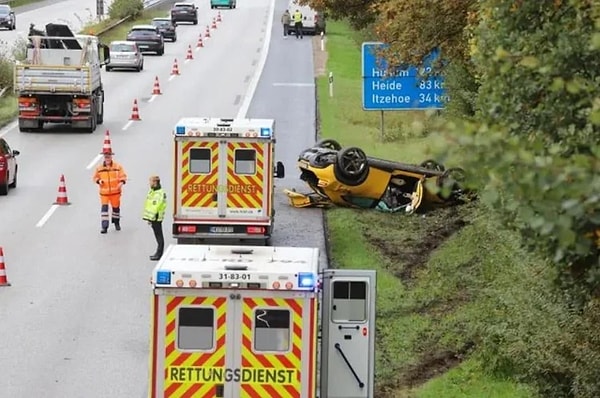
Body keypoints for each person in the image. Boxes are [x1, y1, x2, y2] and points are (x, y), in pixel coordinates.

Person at [93, 148, 127, 234]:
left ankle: (116, 222)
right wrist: (99, 181)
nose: (107, 159)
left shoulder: (117, 167)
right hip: (104, 193)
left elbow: (123, 176)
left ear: (111, 157)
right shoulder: (99, 168)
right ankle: (104, 227)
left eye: (109, 157)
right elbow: (95, 177)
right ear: (104, 158)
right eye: (106, 157)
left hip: (115, 192)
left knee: (115, 209)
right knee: (104, 210)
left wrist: (121, 182)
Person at [143, 175, 167, 261]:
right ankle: (158, 253)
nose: (149, 183)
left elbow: (156, 206)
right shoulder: (153, 191)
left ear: (155, 182)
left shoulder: (159, 193)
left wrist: (152, 217)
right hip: (153, 217)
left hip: (156, 217)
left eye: (151, 182)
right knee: (157, 235)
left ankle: (159, 254)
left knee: (159, 235)